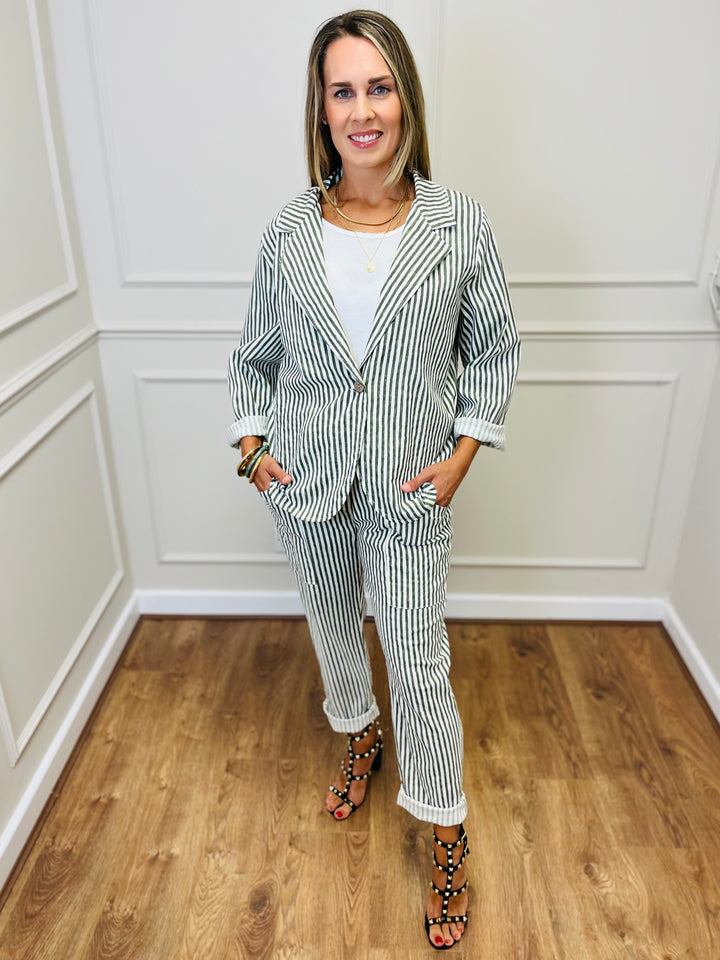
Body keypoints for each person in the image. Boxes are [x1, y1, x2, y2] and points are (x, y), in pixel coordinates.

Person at [228, 9, 520, 950]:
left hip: (407, 492)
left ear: (406, 99)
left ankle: (446, 834)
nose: (363, 111)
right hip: (306, 482)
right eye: (343, 91)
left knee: (420, 661)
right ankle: (359, 734)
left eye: (379, 87)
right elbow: (255, 355)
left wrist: (462, 455)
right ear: (321, 110)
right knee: (331, 627)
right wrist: (252, 449)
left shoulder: (458, 224)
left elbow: (495, 349)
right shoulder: (287, 231)